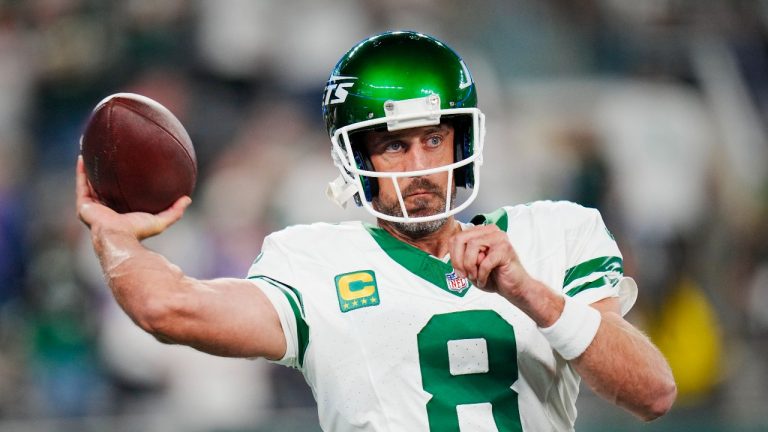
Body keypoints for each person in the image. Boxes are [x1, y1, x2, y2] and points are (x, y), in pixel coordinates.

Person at [76, 31, 676, 431]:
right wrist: (114, 237)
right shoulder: (312, 260)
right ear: (352, 157)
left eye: (434, 139)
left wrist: (530, 292)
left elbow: (652, 392)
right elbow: (169, 308)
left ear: (463, 141)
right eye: (393, 145)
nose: (421, 168)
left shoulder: (555, 233)